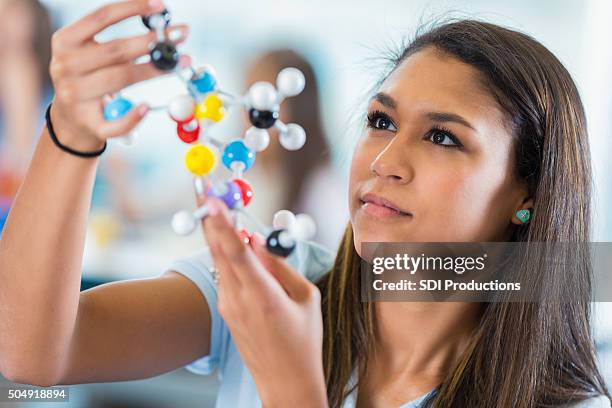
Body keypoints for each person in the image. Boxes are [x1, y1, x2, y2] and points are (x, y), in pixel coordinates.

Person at [0, 1, 609, 407]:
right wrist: (71, 132)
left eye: (443, 136)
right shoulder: (275, 288)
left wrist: (288, 383)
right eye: (379, 120)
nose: (384, 160)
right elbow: (31, 352)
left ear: (527, 196)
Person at [243, 49, 348, 249]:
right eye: (250, 93)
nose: (253, 111)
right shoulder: (232, 171)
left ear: (300, 109)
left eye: (268, 98)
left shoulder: (323, 191)